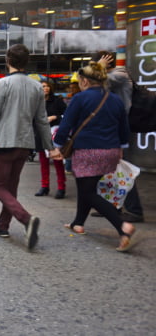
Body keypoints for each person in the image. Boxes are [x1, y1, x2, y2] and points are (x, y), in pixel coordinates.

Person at [0, 44, 62, 251]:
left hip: (3, 141)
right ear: (26, 62)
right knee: (11, 186)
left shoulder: (2, 84)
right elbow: (42, 120)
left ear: (8, 60)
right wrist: (50, 147)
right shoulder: (36, 86)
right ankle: (3, 225)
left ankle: (26, 219)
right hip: (25, 143)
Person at [53, 61, 134, 252]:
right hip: (111, 150)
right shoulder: (114, 99)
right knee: (85, 186)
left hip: (88, 151)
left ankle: (122, 226)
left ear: (85, 81)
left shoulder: (80, 98)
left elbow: (66, 125)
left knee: (89, 192)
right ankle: (78, 223)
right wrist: (121, 147)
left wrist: (57, 145)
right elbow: (124, 128)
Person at [93, 51, 144, 223]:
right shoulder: (114, 75)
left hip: (120, 127)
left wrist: (98, 67)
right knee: (110, 168)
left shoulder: (119, 75)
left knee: (123, 169)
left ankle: (135, 210)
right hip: (113, 126)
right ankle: (112, 205)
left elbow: (92, 81)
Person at [33, 81, 67, 199]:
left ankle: (61, 188)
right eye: (43, 87)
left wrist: (54, 117)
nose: (45, 88)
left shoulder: (57, 101)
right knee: (43, 162)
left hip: (54, 134)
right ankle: (44, 186)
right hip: (41, 134)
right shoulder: (36, 102)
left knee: (57, 161)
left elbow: (66, 115)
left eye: (47, 86)